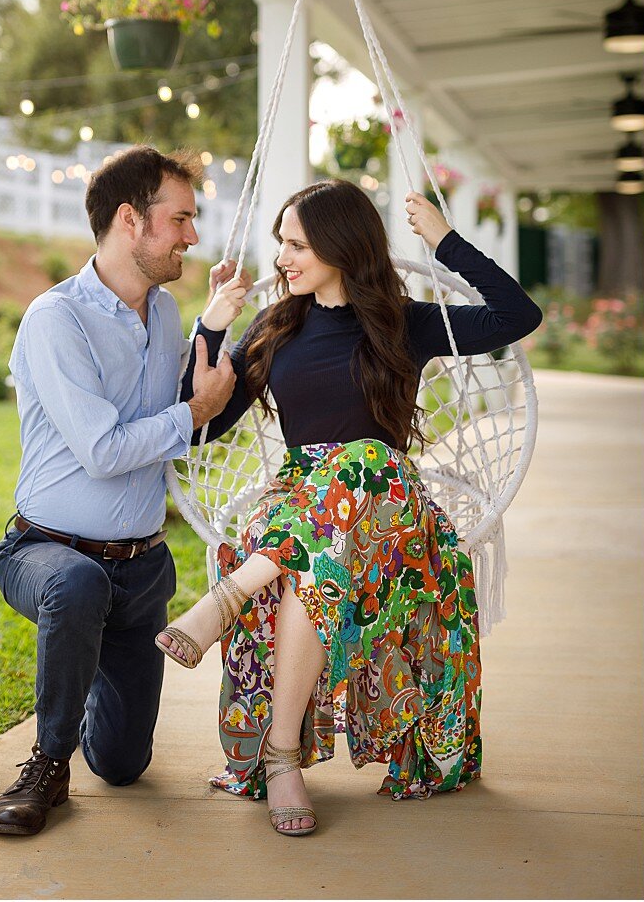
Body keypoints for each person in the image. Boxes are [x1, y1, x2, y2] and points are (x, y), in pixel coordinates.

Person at [164, 180, 542, 836]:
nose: (281, 258)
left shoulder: (407, 321)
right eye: (281, 241)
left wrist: (445, 242)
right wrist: (212, 326)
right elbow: (206, 421)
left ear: (341, 245)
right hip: (298, 508)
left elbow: (518, 316)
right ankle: (283, 754)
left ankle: (227, 598)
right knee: (312, 564)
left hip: (388, 510)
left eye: (295, 243)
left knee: (364, 457)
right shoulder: (277, 325)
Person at [0, 147, 239, 837]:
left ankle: (92, 667)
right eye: (179, 218)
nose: (191, 234)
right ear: (130, 219)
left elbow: (188, 405)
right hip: (46, 551)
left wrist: (216, 327)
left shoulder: (165, 314)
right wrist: (192, 413)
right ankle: (45, 763)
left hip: (140, 568)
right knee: (76, 587)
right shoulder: (55, 318)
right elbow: (104, 450)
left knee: (125, 765)